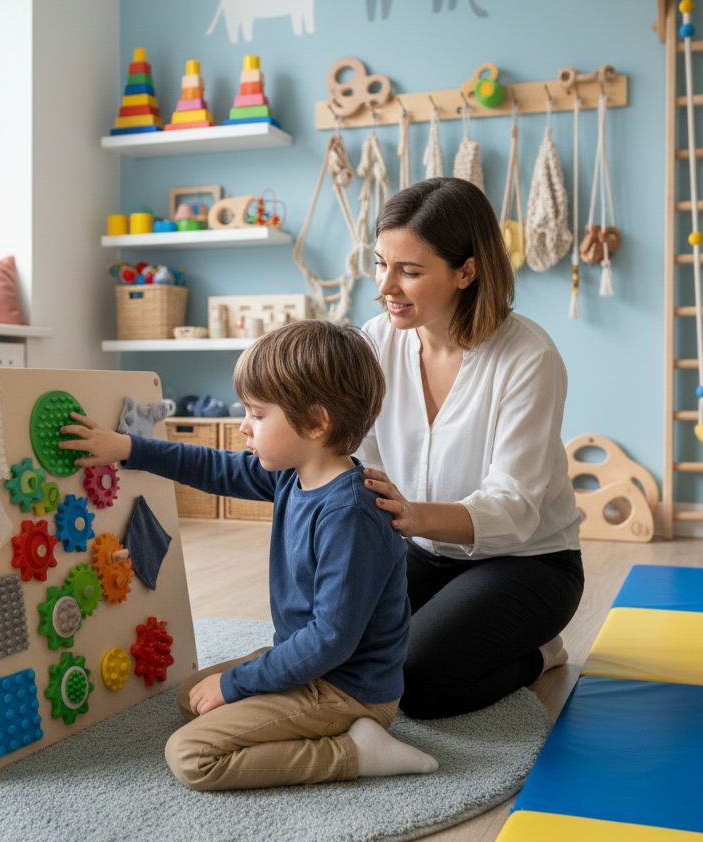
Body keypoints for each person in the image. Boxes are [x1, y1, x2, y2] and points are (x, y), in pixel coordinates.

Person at [59, 319, 437, 791]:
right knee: (188, 699)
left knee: (192, 755)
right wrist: (127, 447)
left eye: (258, 415)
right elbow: (212, 467)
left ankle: (354, 751)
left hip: (349, 690)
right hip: (312, 665)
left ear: (317, 422)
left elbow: (330, 640)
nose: (243, 426)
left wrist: (237, 684)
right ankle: (317, 725)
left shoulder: (350, 515)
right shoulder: (292, 473)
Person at [359, 176, 584, 719]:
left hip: (527, 563)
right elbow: (358, 455)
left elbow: (514, 506)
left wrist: (412, 515)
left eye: (409, 271)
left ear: (467, 270)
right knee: (350, 655)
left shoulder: (528, 357)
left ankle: (540, 654)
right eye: (380, 263)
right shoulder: (374, 340)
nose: (385, 286)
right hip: (422, 552)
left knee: (417, 684)